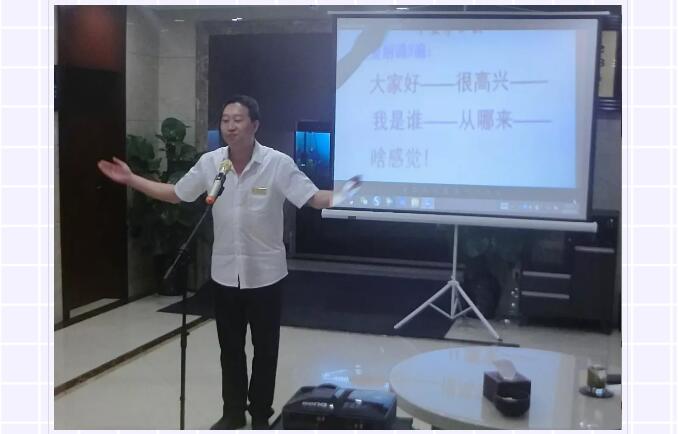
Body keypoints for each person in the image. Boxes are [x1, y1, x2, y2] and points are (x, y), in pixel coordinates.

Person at [97, 95, 360, 430]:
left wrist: (345, 194)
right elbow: (177, 194)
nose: (230, 126)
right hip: (225, 274)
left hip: (266, 275)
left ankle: (260, 413)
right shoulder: (211, 164)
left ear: (255, 125)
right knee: (230, 349)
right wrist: (131, 179)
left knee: (265, 350)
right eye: (225, 120)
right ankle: (233, 412)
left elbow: (312, 198)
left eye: (238, 120)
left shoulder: (277, 164)